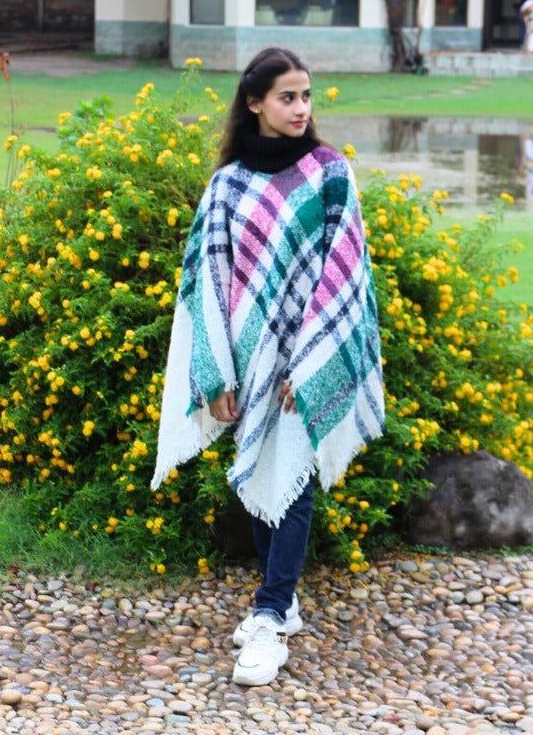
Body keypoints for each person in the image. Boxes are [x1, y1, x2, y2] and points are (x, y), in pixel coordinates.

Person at [151, 46, 385, 688]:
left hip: (308, 354)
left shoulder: (330, 174)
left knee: (293, 476)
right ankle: (279, 601)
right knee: (256, 470)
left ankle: (272, 613)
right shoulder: (227, 185)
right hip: (248, 356)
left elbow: (345, 274)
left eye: (306, 96)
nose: (301, 108)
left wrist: (310, 366)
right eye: (288, 97)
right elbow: (208, 280)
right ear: (254, 103)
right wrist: (216, 375)